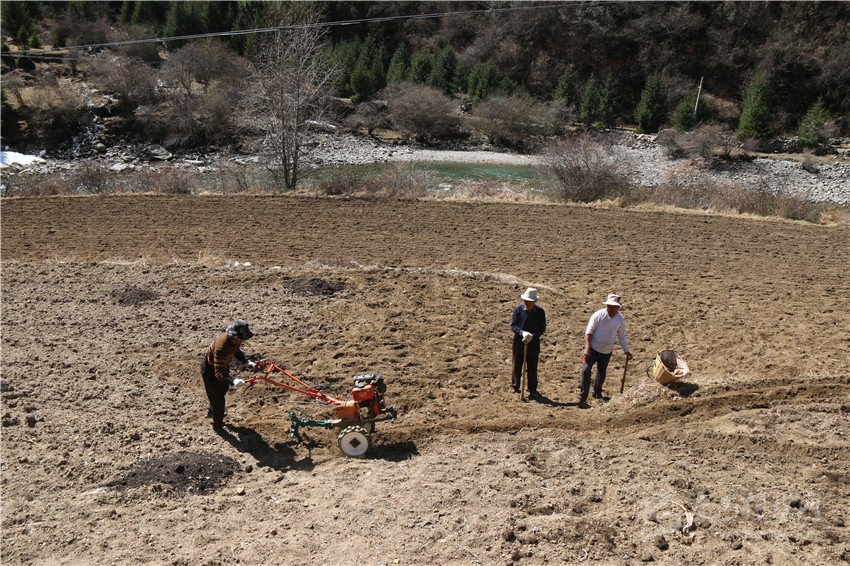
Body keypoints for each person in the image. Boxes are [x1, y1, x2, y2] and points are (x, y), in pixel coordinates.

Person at [579, 294, 633, 404]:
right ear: (607, 306)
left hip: (607, 351)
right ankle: (583, 395)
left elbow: (622, 336)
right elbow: (589, 332)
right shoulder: (598, 315)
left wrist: (626, 350)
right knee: (586, 370)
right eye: (610, 306)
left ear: (618, 308)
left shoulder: (620, 320)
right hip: (593, 349)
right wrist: (587, 348)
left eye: (615, 307)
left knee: (602, 373)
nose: (612, 309)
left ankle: (597, 392)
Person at [201, 319, 254, 431]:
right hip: (210, 371)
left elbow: (236, 351)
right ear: (235, 337)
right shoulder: (221, 348)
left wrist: (245, 361)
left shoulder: (233, 341)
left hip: (222, 366)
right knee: (219, 402)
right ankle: (218, 427)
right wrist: (233, 380)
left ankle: (212, 410)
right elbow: (218, 375)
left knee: (222, 389)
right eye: (242, 339)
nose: (243, 341)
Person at [510, 287, 546, 397]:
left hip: (533, 343)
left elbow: (542, 328)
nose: (527, 303)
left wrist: (533, 336)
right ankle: (515, 385)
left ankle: (532, 389)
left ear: (535, 301)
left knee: (532, 366)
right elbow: (514, 325)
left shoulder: (540, 312)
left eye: (530, 301)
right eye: (526, 300)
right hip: (519, 341)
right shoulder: (518, 310)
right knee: (517, 364)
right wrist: (522, 333)